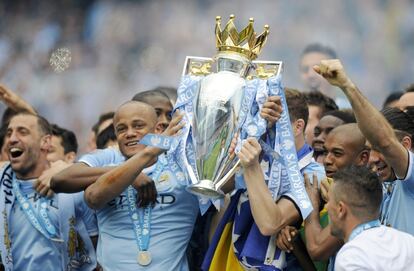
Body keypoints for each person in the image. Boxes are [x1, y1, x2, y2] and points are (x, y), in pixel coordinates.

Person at [77, 101, 190, 270]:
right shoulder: (106, 166)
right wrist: (147, 155)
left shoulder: (184, 169)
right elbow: (94, 198)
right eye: (122, 129)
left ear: (158, 130)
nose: (129, 133)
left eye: (138, 126)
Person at [314, 59, 414, 236]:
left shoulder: (409, 182)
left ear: (405, 145)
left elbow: (385, 140)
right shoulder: (379, 189)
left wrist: (347, 86)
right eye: (369, 149)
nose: (373, 158)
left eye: (379, 149)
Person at [0, 112, 97, 270]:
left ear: (45, 142)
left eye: (22, 132)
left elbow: (95, 243)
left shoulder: (75, 188)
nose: (12, 139)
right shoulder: (2, 185)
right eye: (9, 133)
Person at [319, 166, 414, 270]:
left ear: (341, 209)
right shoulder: (407, 241)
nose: (326, 207)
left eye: (329, 201)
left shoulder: (351, 258)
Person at [299, 44, 349, 109]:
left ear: (334, 72)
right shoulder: (291, 113)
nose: (310, 75)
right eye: (305, 69)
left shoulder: (351, 113)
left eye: (317, 69)